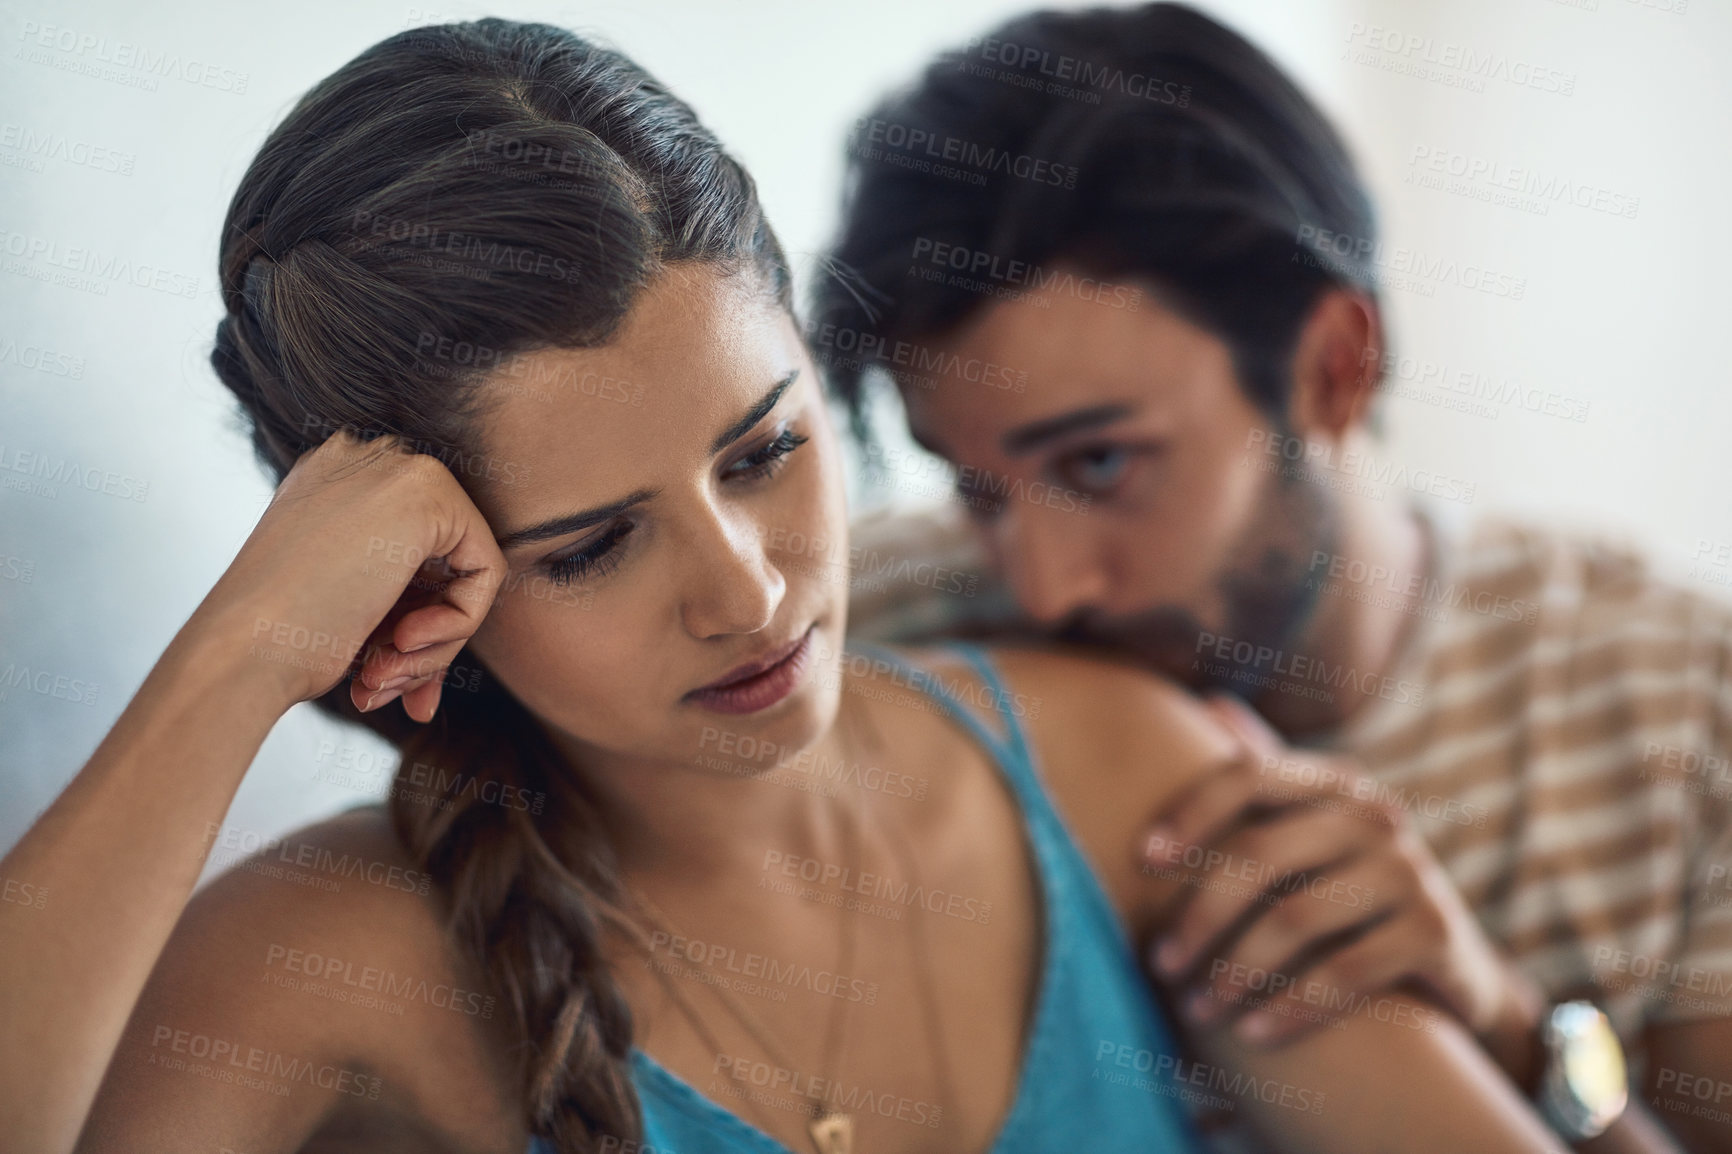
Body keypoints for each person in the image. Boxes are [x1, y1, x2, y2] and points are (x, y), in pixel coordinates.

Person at [0, 16, 1582, 1154]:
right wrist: (240, 653)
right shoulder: (324, 963)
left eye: (762, 451)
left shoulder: (1126, 774)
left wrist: (1522, 1027)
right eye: (593, 545)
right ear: (424, 582)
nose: (747, 591)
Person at [815, 4, 1732, 1152]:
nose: (1043, 588)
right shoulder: (857, 644)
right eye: (978, 489)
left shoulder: (1681, 703)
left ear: (1334, 369)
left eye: (1098, 463)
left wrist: (1506, 1023)